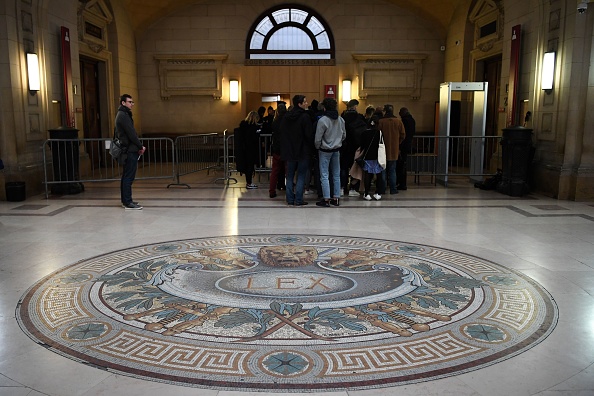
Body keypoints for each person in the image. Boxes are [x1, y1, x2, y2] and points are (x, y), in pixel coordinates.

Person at [280, 95, 313, 206]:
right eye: (304, 102)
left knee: (289, 176)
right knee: (301, 175)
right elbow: (309, 135)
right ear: (299, 104)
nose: (306, 103)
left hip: (289, 150)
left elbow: (282, 134)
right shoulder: (305, 117)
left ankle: (289, 199)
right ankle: (298, 199)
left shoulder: (286, 117)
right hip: (302, 150)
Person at [115, 94, 145, 210]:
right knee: (128, 177)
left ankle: (126, 200)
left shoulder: (123, 114)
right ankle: (128, 202)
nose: (132, 104)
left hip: (129, 149)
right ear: (123, 103)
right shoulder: (123, 115)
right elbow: (131, 133)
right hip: (129, 150)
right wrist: (140, 146)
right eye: (129, 102)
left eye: (132, 102)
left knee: (127, 176)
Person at [314, 98, 346, 207]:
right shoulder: (341, 120)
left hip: (324, 150)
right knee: (336, 174)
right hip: (336, 150)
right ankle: (336, 198)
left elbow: (318, 138)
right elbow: (344, 135)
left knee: (324, 175)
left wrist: (318, 146)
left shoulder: (323, 120)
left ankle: (326, 199)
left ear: (324, 107)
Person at [340, 99, 366, 196]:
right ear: (355, 107)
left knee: (343, 168)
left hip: (344, 146)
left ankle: (342, 187)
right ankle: (353, 188)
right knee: (356, 168)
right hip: (356, 147)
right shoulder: (359, 118)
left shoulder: (342, 118)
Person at [379, 104, 406, 194]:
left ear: (385, 111)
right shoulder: (398, 121)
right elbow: (403, 135)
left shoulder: (381, 122)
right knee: (392, 170)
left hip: (383, 150)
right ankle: (393, 189)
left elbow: (377, 135)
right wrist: (398, 143)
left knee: (383, 170)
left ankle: (382, 189)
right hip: (394, 149)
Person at [359, 116, 385, 200]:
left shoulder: (364, 133)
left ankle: (367, 193)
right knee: (379, 175)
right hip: (378, 156)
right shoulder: (379, 133)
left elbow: (362, 145)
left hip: (367, 156)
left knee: (367, 175)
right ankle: (378, 193)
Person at [236, 111, 260, 189]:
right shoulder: (253, 128)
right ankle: (249, 183)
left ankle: (248, 182)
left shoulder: (243, 126)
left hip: (243, 150)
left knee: (247, 166)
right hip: (251, 149)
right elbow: (254, 138)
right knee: (250, 166)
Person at [269, 104, 287, 198]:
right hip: (286, 149)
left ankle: (272, 191)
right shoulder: (288, 120)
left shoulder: (275, 121)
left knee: (274, 171)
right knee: (288, 171)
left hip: (277, 148)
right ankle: (289, 191)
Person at [398, 107, 416, 190]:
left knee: (401, 165)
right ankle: (402, 183)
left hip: (404, 145)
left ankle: (402, 183)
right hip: (408, 144)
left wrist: (400, 146)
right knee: (403, 164)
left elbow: (403, 134)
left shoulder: (405, 121)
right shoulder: (412, 120)